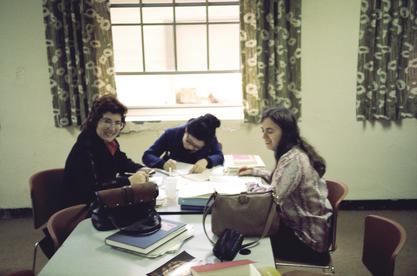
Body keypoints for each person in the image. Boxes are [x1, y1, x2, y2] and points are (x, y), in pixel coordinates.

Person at [238, 106, 333, 264]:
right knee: (245, 226)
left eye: (270, 131)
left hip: (308, 242)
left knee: (246, 234)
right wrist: (256, 172)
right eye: (263, 130)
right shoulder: (294, 152)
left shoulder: (294, 160)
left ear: (285, 132)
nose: (264, 136)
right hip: (306, 231)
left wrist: (248, 188)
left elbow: (269, 200)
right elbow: (282, 180)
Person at [63, 95, 151, 206]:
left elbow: (122, 161)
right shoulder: (84, 148)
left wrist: (141, 168)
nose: (112, 128)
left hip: (102, 203)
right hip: (82, 208)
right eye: (107, 121)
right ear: (95, 121)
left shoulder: (109, 143)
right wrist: (129, 181)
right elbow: (92, 189)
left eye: (117, 123)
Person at [142, 114, 224, 174]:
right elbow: (148, 155)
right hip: (173, 177)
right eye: (189, 141)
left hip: (198, 179)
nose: (190, 147)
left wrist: (207, 161)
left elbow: (219, 156)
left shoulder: (210, 138)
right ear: (186, 130)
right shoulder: (171, 134)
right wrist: (162, 164)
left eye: (196, 147)